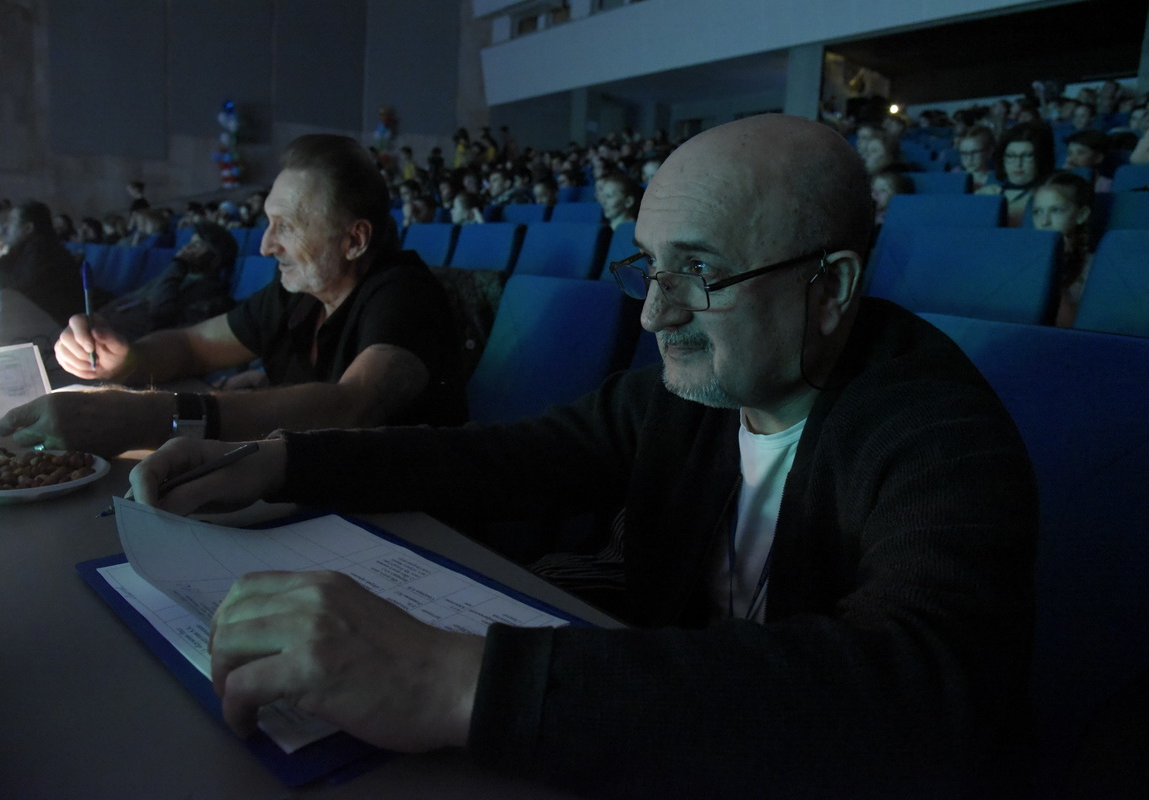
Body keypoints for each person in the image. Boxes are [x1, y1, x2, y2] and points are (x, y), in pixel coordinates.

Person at [131, 114, 1037, 799]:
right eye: (649, 266)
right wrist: (283, 461)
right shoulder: (694, 391)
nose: (654, 315)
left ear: (829, 287)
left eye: (699, 272)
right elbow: (503, 459)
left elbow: (918, 691)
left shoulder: (938, 432)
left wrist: (452, 681)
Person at [0, 134, 467, 457]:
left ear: (355, 240)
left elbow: (354, 409)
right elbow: (192, 345)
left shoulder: (404, 294)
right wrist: (125, 360)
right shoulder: (303, 292)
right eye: (268, 223)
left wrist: (158, 417)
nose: (266, 245)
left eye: (287, 226)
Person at [97, 222, 238, 341]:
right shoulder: (180, 276)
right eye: (190, 243)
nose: (187, 248)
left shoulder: (210, 293)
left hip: (125, 341)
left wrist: (179, 264)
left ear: (216, 259)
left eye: (197, 245)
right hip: (105, 324)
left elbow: (161, 314)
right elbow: (134, 298)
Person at [0, 200, 82, 325]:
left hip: (54, 326)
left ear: (27, 228)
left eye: (11, 223)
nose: (6, 228)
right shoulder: (21, 247)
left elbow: (21, 288)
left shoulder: (43, 250)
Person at [1030, 171, 1095, 328]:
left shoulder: (1095, 266)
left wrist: (1057, 267)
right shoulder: (1024, 258)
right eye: (1038, 212)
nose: (1044, 222)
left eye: (1056, 210)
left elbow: (1066, 326)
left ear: (1081, 215)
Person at [976, 121, 1055, 227]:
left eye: (1027, 156)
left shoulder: (1050, 197)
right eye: (1011, 156)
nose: (1018, 164)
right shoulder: (986, 194)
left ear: (1040, 159)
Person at [954, 125, 997, 192]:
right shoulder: (954, 177)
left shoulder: (996, 180)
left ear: (989, 152)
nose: (969, 159)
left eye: (975, 152)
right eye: (964, 153)